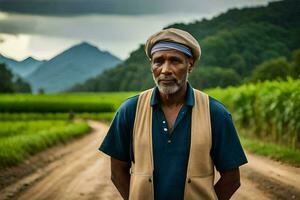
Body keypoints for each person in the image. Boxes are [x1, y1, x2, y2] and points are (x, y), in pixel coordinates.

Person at [99, 28, 248, 200]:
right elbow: (117, 171)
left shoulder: (215, 113)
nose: (165, 70)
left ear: (190, 65)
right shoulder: (130, 110)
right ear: (151, 65)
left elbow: (232, 179)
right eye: (158, 61)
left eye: (175, 61)